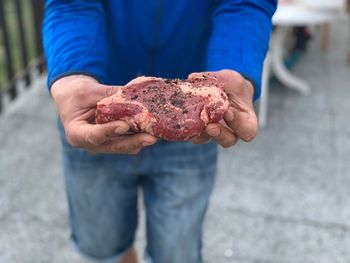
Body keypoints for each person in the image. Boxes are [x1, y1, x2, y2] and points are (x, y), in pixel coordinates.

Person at [43, 1, 277, 263]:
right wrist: (72, 73)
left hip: (193, 125)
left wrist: (236, 66)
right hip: (97, 110)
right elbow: (72, 4)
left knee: (177, 252)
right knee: (101, 244)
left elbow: (244, 4)